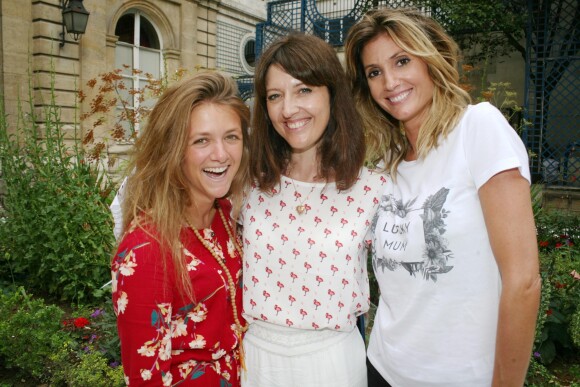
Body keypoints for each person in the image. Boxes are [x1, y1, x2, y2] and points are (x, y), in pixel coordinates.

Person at [344, 8, 541, 387]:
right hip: (382, 370)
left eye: (402, 61)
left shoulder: (478, 129)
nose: (389, 82)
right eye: (374, 72)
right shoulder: (388, 164)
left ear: (432, 59)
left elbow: (524, 281)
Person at [240, 33, 386, 387]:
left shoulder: (373, 189)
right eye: (275, 96)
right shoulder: (246, 184)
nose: (288, 109)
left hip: (332, 364)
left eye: (304, 90)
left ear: (332, 95)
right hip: (256, 361)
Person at [111, 71, 250, 386]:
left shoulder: (224, 216)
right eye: (201, 140)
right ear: (173, 151)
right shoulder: (145, 251)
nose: (221, 154)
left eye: (231, 136)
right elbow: (146, 378)